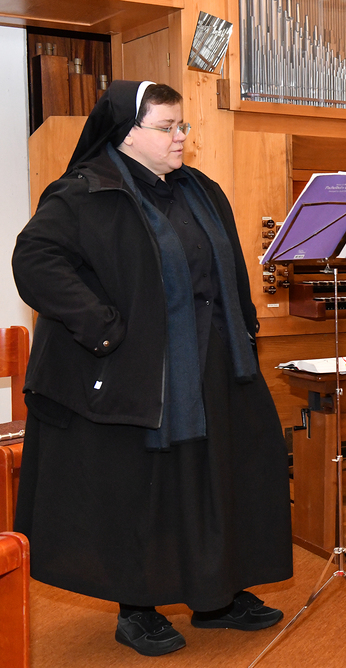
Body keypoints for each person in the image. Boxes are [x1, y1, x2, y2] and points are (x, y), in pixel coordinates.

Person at [12, 81, 293, 657]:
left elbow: (227, 268)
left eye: (182, 125)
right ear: (126, 134)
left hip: (211, 363)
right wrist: (104, 327)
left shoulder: (200, 189)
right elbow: (34, 260)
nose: (180, 136)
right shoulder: (84, 192)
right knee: (142, 489)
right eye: (166, 127)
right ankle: (136, 606)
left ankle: (216, 597)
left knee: (213, 480)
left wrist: (243, 328)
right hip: (134, 372)